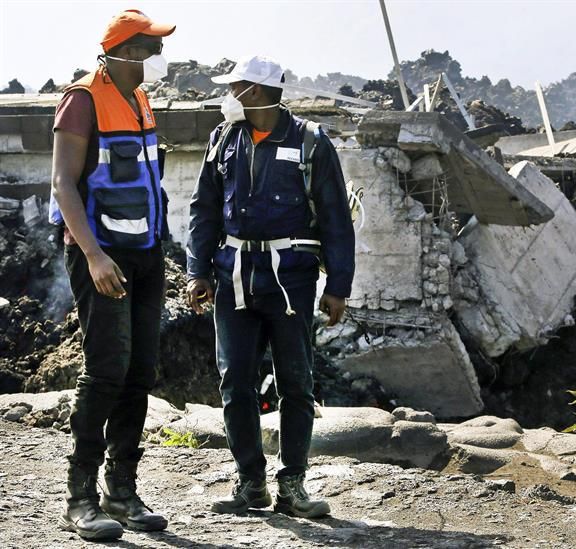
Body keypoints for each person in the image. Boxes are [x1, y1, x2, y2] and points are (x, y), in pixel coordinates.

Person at [186, 55, 355, 518]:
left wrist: (338, 285)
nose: (227, 95)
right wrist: (197, 271)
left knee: (296, 384)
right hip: (233, 276)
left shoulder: (311, 142)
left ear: (253, 93)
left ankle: (293, 486)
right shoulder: (223, 139)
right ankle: (250, 482)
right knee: (234, 381)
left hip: (291, 281)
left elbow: (337, 218)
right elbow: (204, 210)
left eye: (233, 86)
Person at [48, 9, 175, 541]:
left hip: (145, 254)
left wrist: (163, 253)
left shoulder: (139, 98)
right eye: (152, 48)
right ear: (126, 50)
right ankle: (80, 498)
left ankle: (121, 491)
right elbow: (62, 184)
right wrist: (96, 256)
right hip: (102, 256)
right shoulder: (81, 100)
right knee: (105, 371)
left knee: (139, 373)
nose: (159, 59)